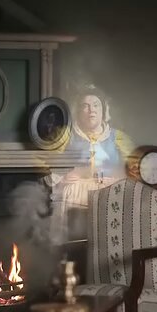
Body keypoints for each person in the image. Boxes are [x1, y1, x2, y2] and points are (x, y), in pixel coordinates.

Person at [45, 85, 135, 243]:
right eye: (85, 106)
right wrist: (65, 175)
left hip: (111, 193)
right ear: (78, 112)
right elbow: (48, 167)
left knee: (108, 240)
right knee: (76, 241)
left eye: (96, 105)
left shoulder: (118, 137)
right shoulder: (66, 136)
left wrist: (118, 177)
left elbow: (137, 169)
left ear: (103, 111)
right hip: (76, 195)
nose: (91, 110)